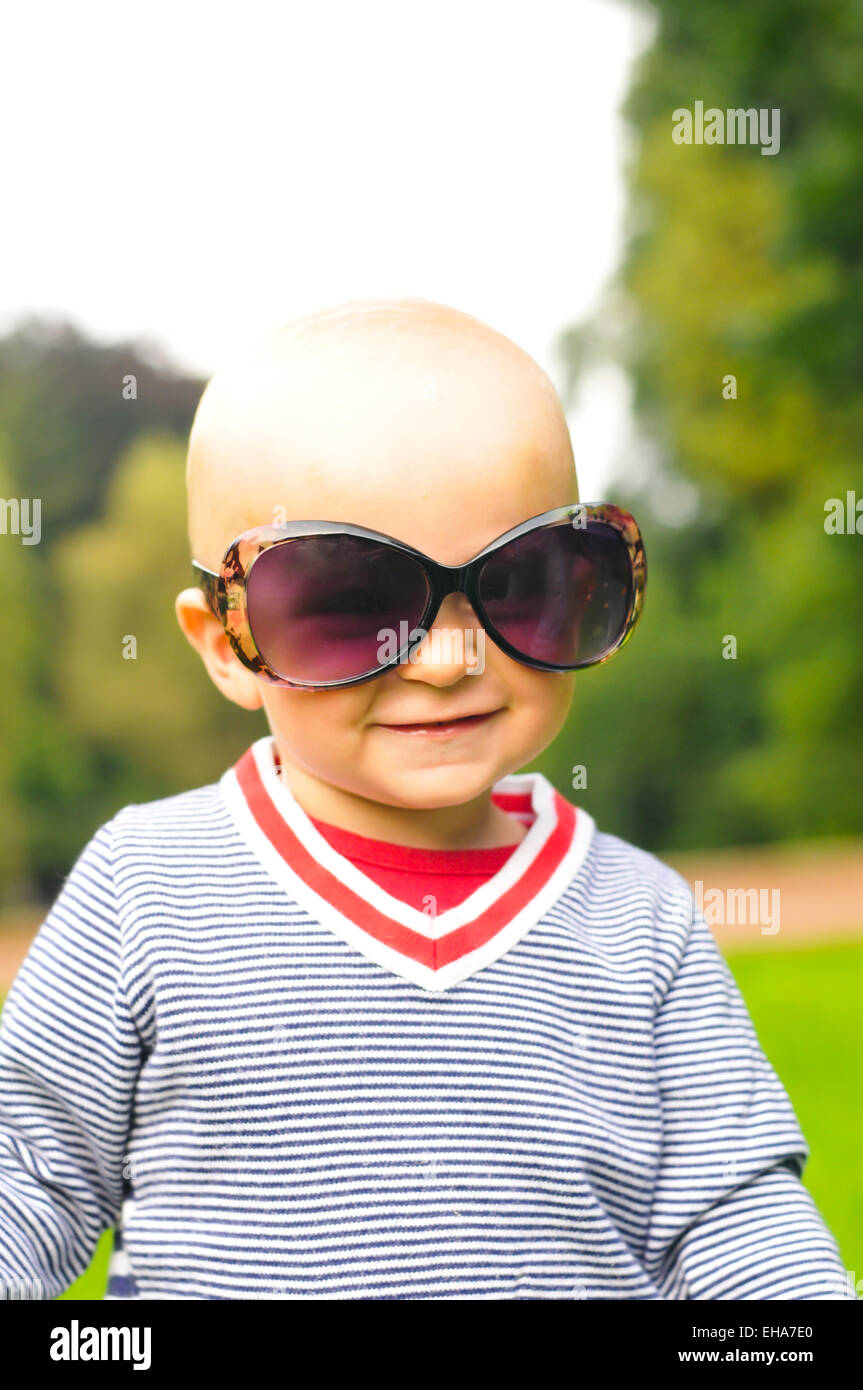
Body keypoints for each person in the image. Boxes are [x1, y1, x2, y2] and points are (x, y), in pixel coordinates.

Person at [0, 298, 853, 1300]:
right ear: (225, 643)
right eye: (351, 603)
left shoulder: (643, 922)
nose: (449, 660)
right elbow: (29, 1176)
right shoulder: (146, 890)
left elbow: (730, 1216)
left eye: (523, 580)